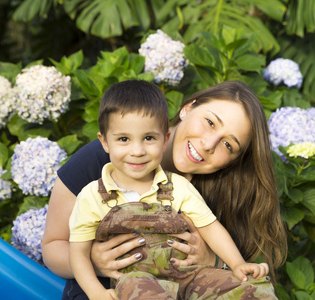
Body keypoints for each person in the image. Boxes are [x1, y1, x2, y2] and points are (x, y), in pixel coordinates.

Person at [42, 80, 287, 299]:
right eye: (210, 122)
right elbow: (54, 247)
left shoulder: (206, 190)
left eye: (228, 144)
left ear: (234, 160)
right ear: (187, 108)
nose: (209, 144)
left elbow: (221, 247)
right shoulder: (101, 166)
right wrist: (93, 262)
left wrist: (213, 260)